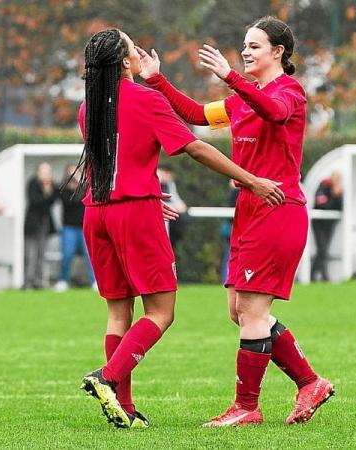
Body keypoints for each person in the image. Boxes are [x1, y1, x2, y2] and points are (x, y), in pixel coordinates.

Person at [77, 28, 285, 429]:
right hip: (134, 215)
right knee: (160, 312)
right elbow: (196, 146)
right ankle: (107, 376)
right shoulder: (146, 99)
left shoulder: (88, 108)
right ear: (125, 63)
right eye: (132, 46)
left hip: (98, 213)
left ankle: (123, 406)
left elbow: (116, 165)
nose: (139, 51)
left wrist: (153, 200)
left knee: (118, 313)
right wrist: (253, 180)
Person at [138, 16, 335, 426]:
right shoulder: (241, 99)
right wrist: (157, 80)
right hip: (247, 208)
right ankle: (309, 382)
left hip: (278, 208)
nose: (245, 52)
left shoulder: (289, 92)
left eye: (255, 46)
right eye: (244, 45)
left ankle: (247, 407)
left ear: (278, 52)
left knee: (251, 312)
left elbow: (276, 113)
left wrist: (231, 77)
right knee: (240, 311)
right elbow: (194, 113)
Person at [54, 164, 96, 292]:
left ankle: (94, 281)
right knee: (67, 255)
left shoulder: (86, 188)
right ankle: (63, 280)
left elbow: (84, 199)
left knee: (90, 255)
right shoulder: (64, 189)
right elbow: (69, 201)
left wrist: (79, 183)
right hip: (69, 227)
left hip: (84, 227)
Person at [23, 161, 58, 289]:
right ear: (38, 172)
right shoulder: (32, 183)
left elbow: (54, 201)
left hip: (45, 224)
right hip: (32, 225)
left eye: (48, 172)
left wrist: (48, 191)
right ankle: (27, 281)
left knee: (41, 254)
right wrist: (46, 193)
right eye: (43, 171)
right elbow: (35, 201)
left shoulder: (52, 185)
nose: (46, 175)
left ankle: (38, 281)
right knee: (29, 254)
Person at [311, 171, 343, 281]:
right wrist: (334, 196)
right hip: (319, 223)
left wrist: (338, 196)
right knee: (322, 249)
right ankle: (318, 276)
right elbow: (322, 205)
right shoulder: (323, 185)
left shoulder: (339, 191)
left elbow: (340, 207)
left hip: (329, 224)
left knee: (324, 250)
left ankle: (320, 276)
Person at [157, 167, 188, 248]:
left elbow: (174, 197)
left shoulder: (169, 183)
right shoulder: (155, 180)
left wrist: (180, 206)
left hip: (170, 220)